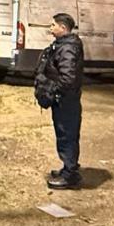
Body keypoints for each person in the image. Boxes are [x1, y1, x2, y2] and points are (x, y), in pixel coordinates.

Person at [33, 13, 84, 190]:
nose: (50, 28)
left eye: (53, 25)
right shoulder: (63, 45)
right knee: (65, 134)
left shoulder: (68, 48)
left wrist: (53, 92)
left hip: (65, 101)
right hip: (64, 99)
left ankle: (70, 175)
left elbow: (68, 78)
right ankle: (68, 168)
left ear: (63, 28)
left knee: (66, 135)